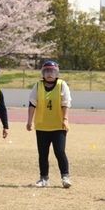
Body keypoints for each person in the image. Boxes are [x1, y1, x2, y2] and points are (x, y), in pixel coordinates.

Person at [26, 60, 73, 188]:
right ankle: (44, 178)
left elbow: (66, 103)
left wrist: (65, 119)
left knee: (59, 152)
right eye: (47, 71)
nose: (49, 74)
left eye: (52, 71)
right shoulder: (38, 85)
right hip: (42, 125)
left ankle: (65, 177)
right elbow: (32, 103)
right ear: (43, 73)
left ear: (57, 73)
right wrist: (30, 121)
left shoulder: (61, 85)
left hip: (58, 125)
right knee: (43, 153)